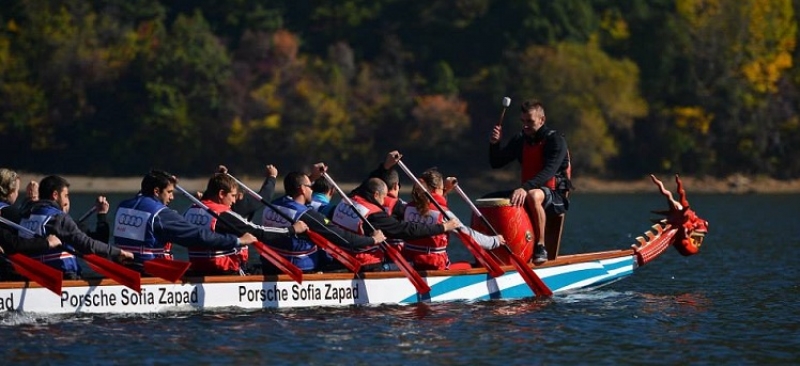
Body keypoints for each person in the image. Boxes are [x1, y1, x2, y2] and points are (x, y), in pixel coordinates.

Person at [113, 170, 257, 274]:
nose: (172, 197)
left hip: (125, 267)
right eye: (169, 192)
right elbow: (197, 237)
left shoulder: (124, 206)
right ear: (156, 191)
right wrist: (237, 241)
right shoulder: (161, 214)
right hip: (151, 271)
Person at [489, 99, 572, 264]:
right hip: (528, 190)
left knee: (533, 195)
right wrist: (494, 144)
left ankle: (540, 247)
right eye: (523, 121)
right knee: (489, 201)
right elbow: (496, 162)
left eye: (530, 122)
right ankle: (498, 251)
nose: (525, 125)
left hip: (555, 195)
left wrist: (524, 188)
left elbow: (549, 172)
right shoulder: (521, 139)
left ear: (542, 120)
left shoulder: (556, 140)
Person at [183, 173, 308, 275]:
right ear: (221, 194)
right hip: (225, 273)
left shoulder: (189, 211)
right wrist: (292, 230)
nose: (233, 201)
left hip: (198, 270)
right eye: (232, 196)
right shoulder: (222, 215)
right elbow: (260, 232)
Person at [261, 171, 385, 273]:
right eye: (311, 187)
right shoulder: (306, 215)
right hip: (298, 270)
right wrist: (373, 240)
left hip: (271, 265)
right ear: (303, 189)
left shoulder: (273, 205)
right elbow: (345, 239)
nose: (313, 191)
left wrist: (313, 176)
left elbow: (296, 183)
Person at [331, 177, 460, 270]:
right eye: (383, 197)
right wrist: (443, 227)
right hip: (365, 264)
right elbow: (405, 231)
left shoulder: (349, 199)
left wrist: (386, 166)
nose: (383, 202)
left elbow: (367, 183)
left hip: (338, 257)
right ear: (376, 194)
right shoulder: (374, 214)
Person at [19, 175, 134, 279]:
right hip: (63, 278)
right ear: (55, 195)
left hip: (33, 276)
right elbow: (88, 245)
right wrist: (118, 252)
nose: (67, 201)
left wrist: (29, 200)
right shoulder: (58, 218)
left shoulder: (25, 217)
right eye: (66, 195)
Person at [401, 168, 506, 270]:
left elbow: (429, 204)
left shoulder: (407, 208)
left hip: (409, 264)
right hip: (434, 265)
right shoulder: (445, 214)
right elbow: (468, 235)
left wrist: (445, 191)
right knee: (468, 266)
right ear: (437, 189)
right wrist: (494, 241)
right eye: (442, 189)